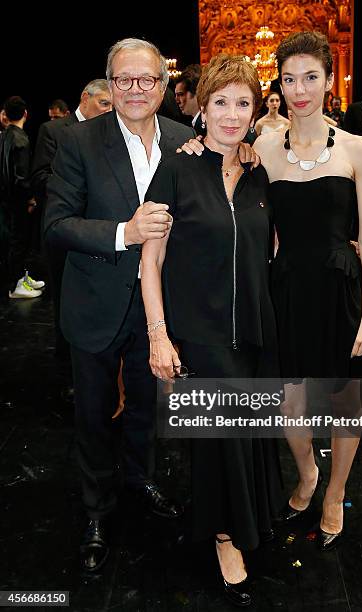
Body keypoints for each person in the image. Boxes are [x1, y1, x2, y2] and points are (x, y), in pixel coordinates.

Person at [44, 38, 195, 573]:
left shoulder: (185, 140)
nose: (135, 90)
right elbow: (56, 224)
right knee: (91, 416)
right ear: (109, 85)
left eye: (147, 79)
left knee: (147, 409)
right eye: (124, 80)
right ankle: (96, 511)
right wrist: (122, 233)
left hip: (160, 309)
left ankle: (140, 480)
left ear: (161, 84)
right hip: (94, 305)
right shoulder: (77, 141)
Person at [141, 54, 284, 607]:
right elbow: (150, 261)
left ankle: (241, 521)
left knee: (243, 434)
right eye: (219, 102)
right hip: (198, 334)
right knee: (221, 437)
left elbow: (264, 248)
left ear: (255, 110)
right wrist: (159, 333)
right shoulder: (177, 168)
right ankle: (226, 535)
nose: (230, 114)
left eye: (242, 103)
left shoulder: (256, 171)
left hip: (253, 330)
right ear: (202, 107)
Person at [254, 31, 362, 550]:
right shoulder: (261, 148)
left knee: (344, 401)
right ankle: (306, 474)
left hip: (340, 290)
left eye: (310, 77)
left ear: (330, 81)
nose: (299, 89)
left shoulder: (356, 148)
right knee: (290, 399)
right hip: (286, 290)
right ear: (278, 84)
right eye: (289, 79)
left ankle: (334, 492)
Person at [32, 79, 112, 360]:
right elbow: (40, 176)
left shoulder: (111, 132)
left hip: (99, 233)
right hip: (64, 231)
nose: (107, 110)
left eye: (111, 105)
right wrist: (76, 189)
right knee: (66, 303)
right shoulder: (53, 130)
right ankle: (68, 367)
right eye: (103, 103)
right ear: (84, 98)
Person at [0, 96, 44, 299]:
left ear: (5, 115)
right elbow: (21, 177)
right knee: (19, 243)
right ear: (26, 114)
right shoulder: (21, 139)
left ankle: (19, 278)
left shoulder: (5, 136)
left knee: (13, 242)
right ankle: (15, 285)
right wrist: (30, 199)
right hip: (18, 201)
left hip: (6, 199)